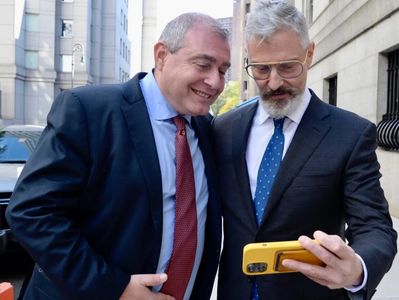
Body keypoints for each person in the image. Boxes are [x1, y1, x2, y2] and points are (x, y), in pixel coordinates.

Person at [6, 12, 230, 300]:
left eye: (223, 70)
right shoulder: (88, 110)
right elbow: (32, 212)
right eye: (203, 64)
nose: (215, 82)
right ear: (161, 55)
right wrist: (116, 288)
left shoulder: (207, 129)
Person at [212, 1, 397, 299]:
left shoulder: (350, 134)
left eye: (288, 67)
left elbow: (375, 227)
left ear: (309, 54)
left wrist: (358, 267)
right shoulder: (223, 129)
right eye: (261, 69)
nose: (274, 82)